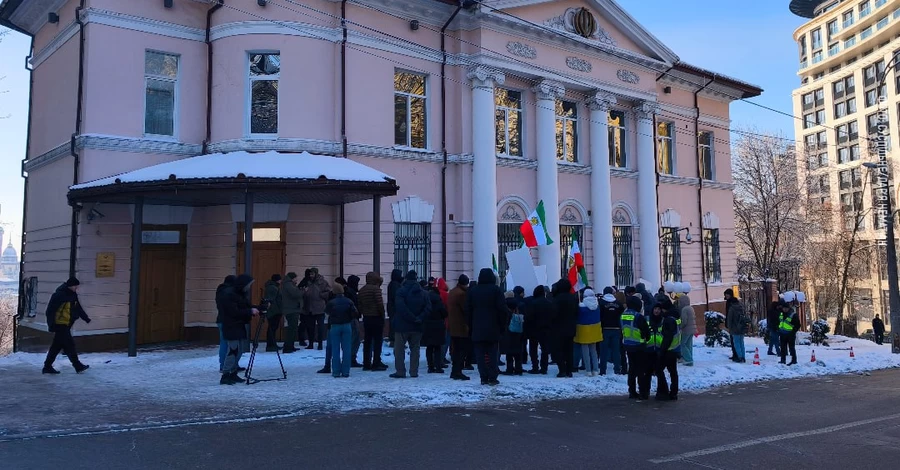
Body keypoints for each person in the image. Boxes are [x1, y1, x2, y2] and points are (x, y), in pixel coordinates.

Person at [466, 268, 508, 386]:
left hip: (477, 327)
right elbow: (502, 310)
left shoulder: (473, 291)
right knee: (493, 353)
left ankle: (483, 377)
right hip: (493, 327)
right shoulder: (496, 290)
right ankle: (492, 376)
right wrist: (502, 325)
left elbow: (468, 310)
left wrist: (470, 325)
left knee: (480, 355)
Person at [42, 277, 91, 374]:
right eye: (75, 286)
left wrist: (85, 318)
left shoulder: (73, 295)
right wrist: (51, 324)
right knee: (69, 345)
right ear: (70, 286)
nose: (76, 288)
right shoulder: (59, 295)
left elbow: (78, 308)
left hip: (66, 324)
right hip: (59, 324)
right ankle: (77, 365)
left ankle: (47, 366)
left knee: (56, 347)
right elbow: (50, 311)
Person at [220, 274, 260, 385]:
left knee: (238, 351)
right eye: (248, 285)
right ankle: (225, 374)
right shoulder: (230, 295)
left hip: (238, 326)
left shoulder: (240, 294)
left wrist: (259, 308)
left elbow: (246, 307)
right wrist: (250, 311)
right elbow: (234, 312)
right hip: (231, 326)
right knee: (233, 351)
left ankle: (233, 373)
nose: (249, 287)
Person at [391, 271, 430, 378]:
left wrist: (411, 318)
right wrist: (419, 318)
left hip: (402, 325)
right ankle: (414, 371)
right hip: (417, 326)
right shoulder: (424, 293)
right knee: (415, 349)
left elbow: (401, 307)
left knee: (399, 350)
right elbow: (428, 308)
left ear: (406, 278)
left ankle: (400, 371)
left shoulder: (400, 291)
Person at [647, 294, 680, 400]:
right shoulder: (674, 317)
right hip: (674, 349)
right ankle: (673, 393)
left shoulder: (668, 320)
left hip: (668, 350)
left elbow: (667, 337)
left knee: (659, 369)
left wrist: (662, 351)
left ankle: (665, 392)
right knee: (673, 372)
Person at [325, 284, 358, 378]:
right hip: (347, 325)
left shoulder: (331, 302)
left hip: (335, 326)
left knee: (335, 349)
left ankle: (336, 371)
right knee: (347, 349)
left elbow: (327, 312)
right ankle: (346, 371)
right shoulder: (349, 301)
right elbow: (355, 312)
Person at [622, 296, 650, 399]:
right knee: (641, 370)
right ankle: (642, 392)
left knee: (632, 369)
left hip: (628, 345)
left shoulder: (623, 315)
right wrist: (646, 338)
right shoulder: (638, 316)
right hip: (639, 345)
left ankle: (632, 391)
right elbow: (646, 331)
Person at [358, 272, 388, 371]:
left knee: (367, 341)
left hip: (367, 318)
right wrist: (382, 314)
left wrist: (364, 313)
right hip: (376, 317)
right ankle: (376, 362)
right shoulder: (376, 289)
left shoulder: (362, 290)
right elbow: (380, 304)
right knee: (377, 341)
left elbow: (359, 305)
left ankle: (366, 363)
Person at [551, 279, 579, 378]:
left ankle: (562, 370)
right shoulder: (573, 298)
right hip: (571, 327)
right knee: (569, 350)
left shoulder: (556, 299)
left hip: (558, 328)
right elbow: (576, 312)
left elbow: (553, 313)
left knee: (559, 350)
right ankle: (569, 370)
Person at [447, 274, 472, 380]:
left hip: (453, 325)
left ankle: (455, 370)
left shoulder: (452, 292)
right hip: (461, 326)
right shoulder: (462, 294)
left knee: (456, 349)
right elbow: (465, 309)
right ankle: (457, 371)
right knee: (461, 350)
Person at [526, 285, 554, 374]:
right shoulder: (549, 303)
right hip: (545, 329)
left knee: (533, 349)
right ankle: (544, 367)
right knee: (545, 349)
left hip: (534, 329)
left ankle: (535, 366)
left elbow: (528, 317)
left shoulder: (532, 303)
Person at [574, 288, 603, 377]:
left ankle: (588, 370)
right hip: (595, 329)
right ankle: (595, 369)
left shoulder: (581, 306)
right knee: (593, 350)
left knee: (585, 351)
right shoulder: (597, 305)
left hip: (583, 329)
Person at [423, 278, 449, 374]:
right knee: (437, 347)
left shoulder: (426, 300)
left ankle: (430, 367)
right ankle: (438, 366)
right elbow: (445, 313)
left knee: (429, 347)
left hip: (428, 325)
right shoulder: (439, 301)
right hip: (438, 326)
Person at [598, 287, 624, 375]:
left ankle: (602, 370)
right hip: (616, 329)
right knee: (616, 350)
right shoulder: (618, 303)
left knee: (603, 351)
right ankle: (617, 369)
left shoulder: (601, 302)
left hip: (604, 329)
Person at [304, 268, 331, 350]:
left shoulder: (323, 282)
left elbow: (329, 292)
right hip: (309, 308)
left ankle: (320, 344)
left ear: (316, 274)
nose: (311, 276)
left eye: (312, 274)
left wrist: (321, 295)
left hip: (320, 308)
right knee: (310, 327)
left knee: (320, 327)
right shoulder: (307, 282)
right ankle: (311, 343)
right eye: (310, 274)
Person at [215, 275, 237, 371]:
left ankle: (224, 364)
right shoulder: (228, 292)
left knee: (224, 342)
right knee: (228, 343)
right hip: (227, 320)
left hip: (221, 319)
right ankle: (226, 365)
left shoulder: (220, 291)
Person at [280, 272, 304, 354]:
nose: (296, 279)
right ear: (292, 278)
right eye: (295, 278)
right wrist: (303, 291)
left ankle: (290, 346)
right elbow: (296, 294)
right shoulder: (288, 285)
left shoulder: (288, 284)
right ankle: (287, 347)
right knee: (291, 329)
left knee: (293, 329)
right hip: (291, 310)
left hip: (292, 309)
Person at [501, 295, 524, 375]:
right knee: (518, 353)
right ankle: (518, 368)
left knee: (509, 354)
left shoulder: (507, 314)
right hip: (518, 335)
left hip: (509, 335)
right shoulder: (518, 315)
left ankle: (509, 369)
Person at [345, 275, 363, 367]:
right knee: (355, 339)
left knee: (353, 339)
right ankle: (351, 358)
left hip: (351, 318)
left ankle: (350, 358)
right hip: (353, 318)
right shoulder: (351, 293)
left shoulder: (348, 291)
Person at [263, 274, 284, 352]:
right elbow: (271, 300)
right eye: (280, 279)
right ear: (277, 280)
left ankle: (272, 344)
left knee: (272, 328)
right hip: (274, 311)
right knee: (272, 328)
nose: (281, 281)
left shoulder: (273, 287)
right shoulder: (273, 288)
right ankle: (271, 345)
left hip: (274, 311)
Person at [778, 300, 801, 365]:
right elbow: (779, 322)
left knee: (791, 348)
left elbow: (798, 325)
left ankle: (794, 360)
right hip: (782, 333)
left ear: (788, 308)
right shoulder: (781, 314)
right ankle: (783, 360)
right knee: (783, 348)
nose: (785, 309)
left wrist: (793, 331)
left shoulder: (793, 314)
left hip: (790, 334)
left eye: (786, 308)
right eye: (784, 308)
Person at [387, 269, 404, 348]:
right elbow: (396, 296)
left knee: (393, 324)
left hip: (392, 307)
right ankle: (394, 341)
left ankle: (394, 341)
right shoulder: (395, 284)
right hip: (394, 308)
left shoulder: (393, 284)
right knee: (395, 325)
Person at [678, 293, 696, 366]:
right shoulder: (691, 308)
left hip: (686, 330)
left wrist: (680, 326)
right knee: (689, 344)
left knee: (682, 344)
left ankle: (688, 359)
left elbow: (684, 321)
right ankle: (689, 358)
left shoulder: (684, 309)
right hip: (692, 329)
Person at [724, 288, 740, 361]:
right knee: (733, 340)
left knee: (734, 340)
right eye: (725, 295)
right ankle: (735, 354)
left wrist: (728, 322)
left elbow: (730, 314)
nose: (726, 296)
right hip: (732, 322)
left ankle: (736, 355)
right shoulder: (730, 301)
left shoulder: (731, 302)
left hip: (733, 323)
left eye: (727, 294)